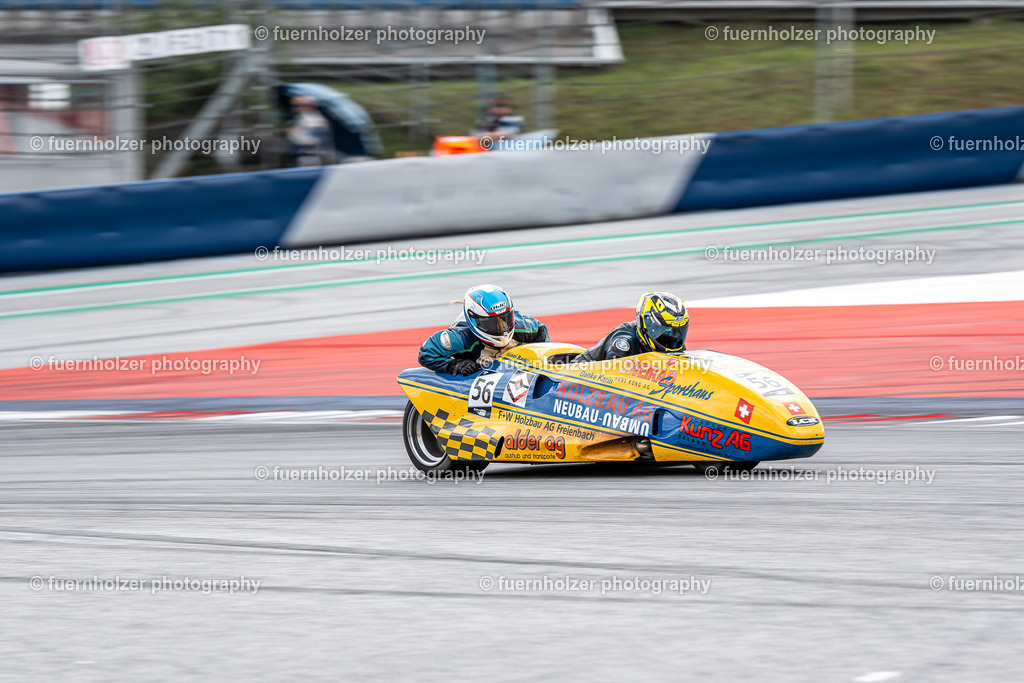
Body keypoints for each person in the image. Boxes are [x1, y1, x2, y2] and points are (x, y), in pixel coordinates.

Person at [419, 284, 549, 375]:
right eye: (492, 324)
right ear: (474, 319)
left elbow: (543, 336)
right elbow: (426, 353)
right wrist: (456, 365)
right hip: (475, 377)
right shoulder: (460, 338)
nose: (501, 328)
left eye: (505, 319)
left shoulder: (528, 328)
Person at [574, 291, 689, 362]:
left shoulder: (675, 345)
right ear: (647, 323)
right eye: (666, 331)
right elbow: (614, 383)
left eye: (679, 331)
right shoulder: (623, 343)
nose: (673, 337)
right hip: (574, 379)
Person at [286, 95, 332, 166]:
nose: (293, 107)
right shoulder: (300, 118)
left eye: (296, 105)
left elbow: (312, 140)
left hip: (310, 158)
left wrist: (293, 133)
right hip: (300, 157)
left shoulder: (316, 120)